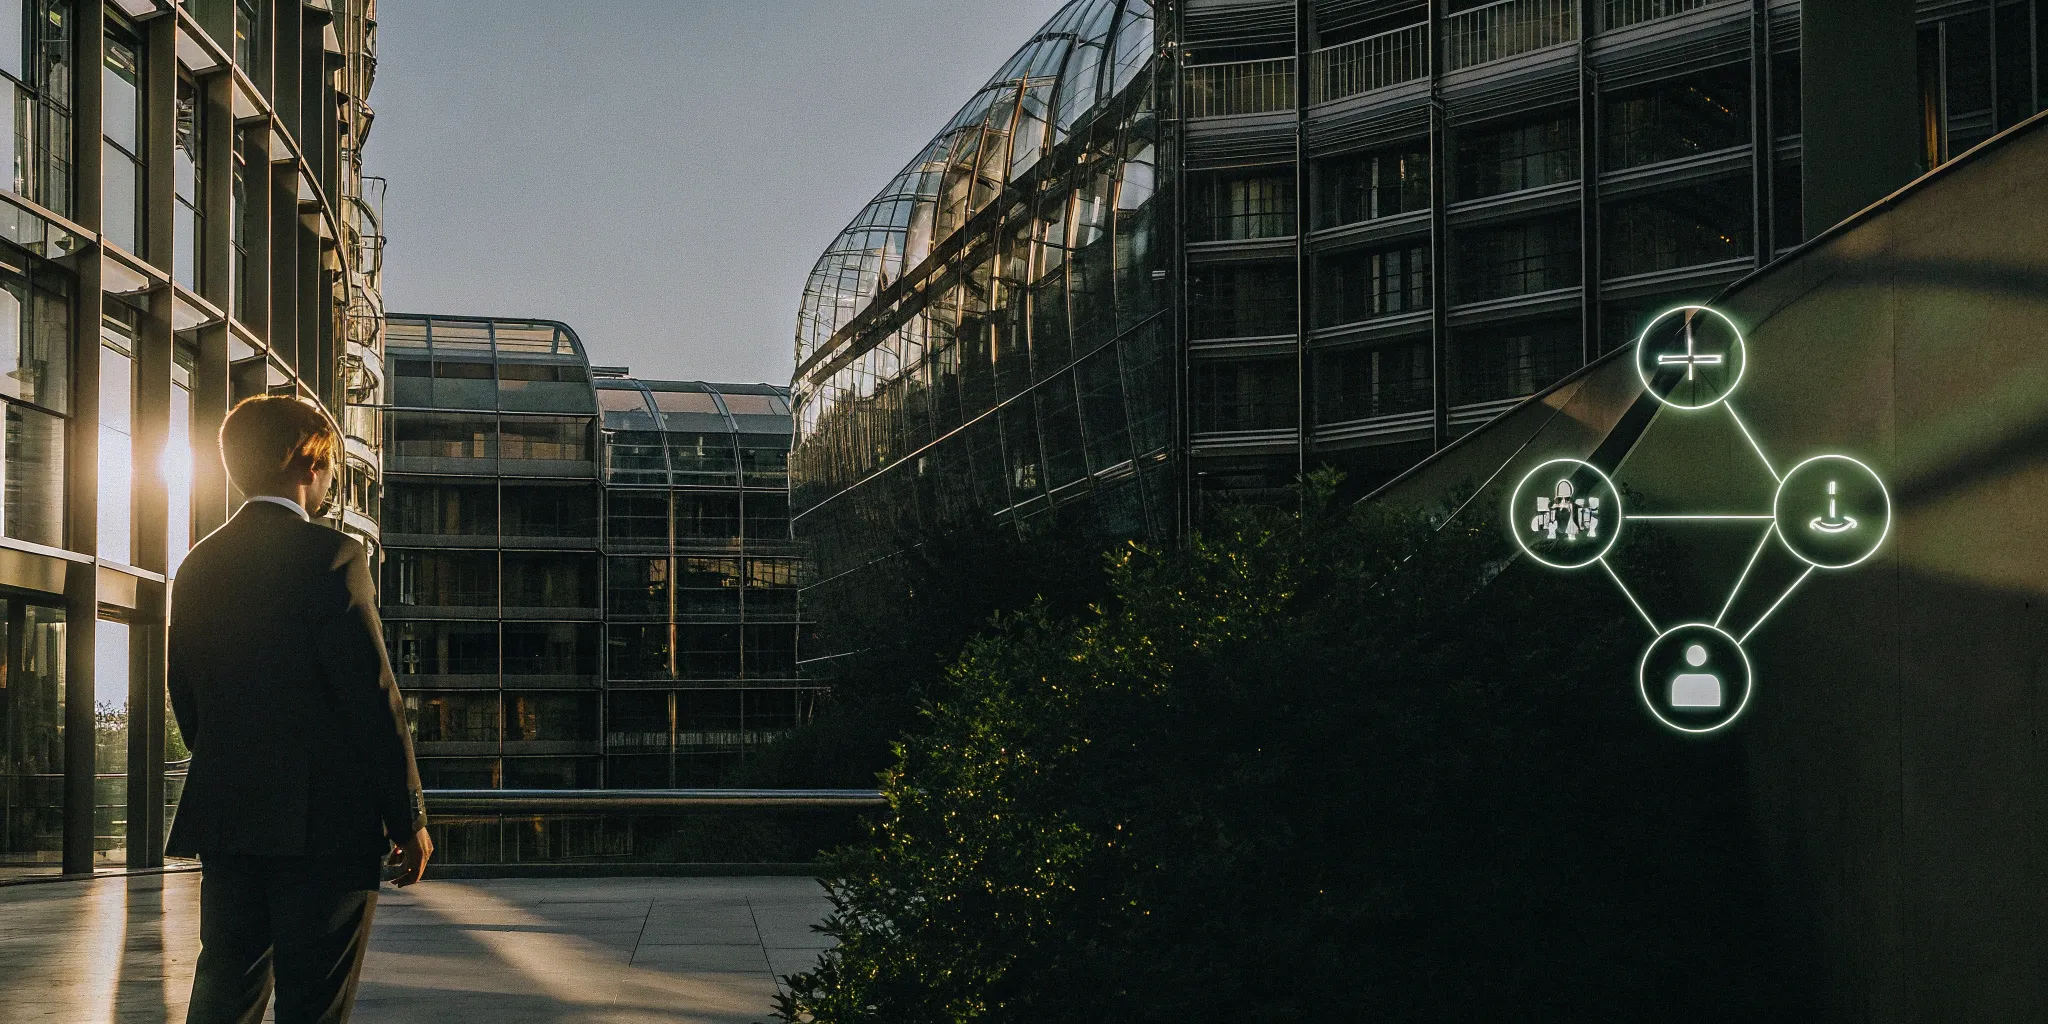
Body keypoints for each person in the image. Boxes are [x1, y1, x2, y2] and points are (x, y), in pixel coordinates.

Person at [167, 395, 431, 1024]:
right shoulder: (332, 556)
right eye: (331, 465)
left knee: (225, 993)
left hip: (231, 818)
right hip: (326, 827)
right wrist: (408, 817)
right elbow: (372, 697)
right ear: (308, 464)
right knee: (314, 1004)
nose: (332, 479)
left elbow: (187, 697)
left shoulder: (198, 563)